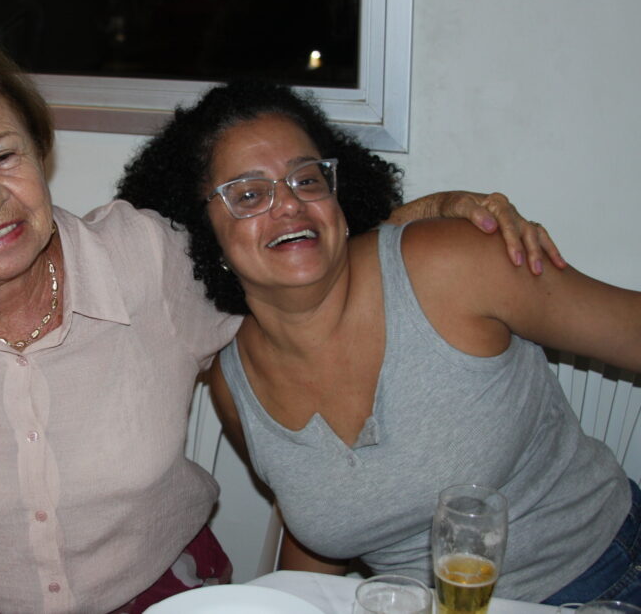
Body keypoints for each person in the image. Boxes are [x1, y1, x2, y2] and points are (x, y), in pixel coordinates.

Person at [0, 46, 557, 614]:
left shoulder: (147, 261)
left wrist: (419, 220)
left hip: (161, 600)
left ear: (42, 159)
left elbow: (289, 252)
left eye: (4, 157)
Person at [116, 79, 641, 604]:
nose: (290, 204)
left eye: (307, 179)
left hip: (606, 583)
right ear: (202, 231)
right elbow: (323, 524)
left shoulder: (452, 265)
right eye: (249, 194)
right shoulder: (235, 385)